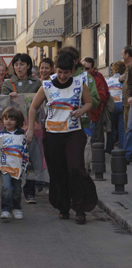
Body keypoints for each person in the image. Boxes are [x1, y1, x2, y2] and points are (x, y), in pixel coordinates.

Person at [27, 52, 98, 225]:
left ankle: (80, 208)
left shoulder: (80, 84)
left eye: (66, 72)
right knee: (58, 172)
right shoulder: (47, 85)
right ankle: (63, 206)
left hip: (74, 133)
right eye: (59, 72)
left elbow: (89, 102)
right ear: (55, 70)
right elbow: (34, 107)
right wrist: (30, 129)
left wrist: (82, 110)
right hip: (52, 134)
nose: (63, 76)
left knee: (76, 168)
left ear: (72, 71)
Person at [1, 53, 41, 204]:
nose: (19, 67)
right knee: (13, 157)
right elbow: (2, 106)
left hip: (32, 126)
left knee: (31, 159)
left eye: (22, 64)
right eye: (16, 65)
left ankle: (29, 191)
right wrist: (8, 99)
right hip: (14, 127)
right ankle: (11, 187)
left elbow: (41, 103)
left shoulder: (36, 83)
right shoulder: (8, 83)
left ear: (28, 66)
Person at [0, 107, 28, 221]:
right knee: (6, 188)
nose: (8, 121)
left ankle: (17, 208)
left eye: (11, 119)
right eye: (5, 118)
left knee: (17, 189)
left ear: (18, 121)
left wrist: (24, 166)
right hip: (5, 167)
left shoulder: (22, 135)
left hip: (18, 167)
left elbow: (25, 152)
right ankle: (6, 209)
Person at [82, 57, 110, 144]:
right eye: (82, 67)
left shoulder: (97, 78)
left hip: (94, 114)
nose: (84, 70)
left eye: (87, 68)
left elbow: (103, 95)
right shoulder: (75, 77)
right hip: (80, 117)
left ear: (92, 69)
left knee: (95, 142)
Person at [106, 61, 126, 152]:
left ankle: (109, 148)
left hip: (111, 105)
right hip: (122, 104)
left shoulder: (108, 80)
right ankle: (122, 148)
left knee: (111, 128)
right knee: (122, 129)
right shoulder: (124, 80)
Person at [121, 46, 132, 161]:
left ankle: (127, 154)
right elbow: (128, 83)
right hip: (129, 101)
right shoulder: (128, 67)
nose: (121, 56)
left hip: (129, 101)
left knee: (129, 128)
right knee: (128, 128)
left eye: (123, 53)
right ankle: (127, 154)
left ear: (127, 54)